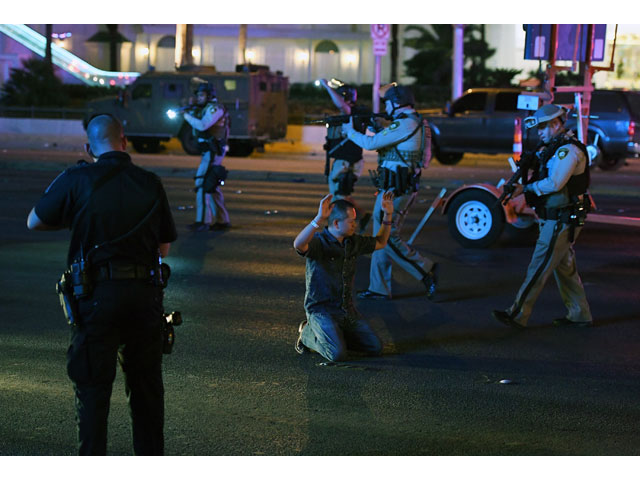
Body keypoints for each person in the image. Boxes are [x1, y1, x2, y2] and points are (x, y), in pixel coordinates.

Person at [27, 114, 178, 455]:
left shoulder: (76, 178)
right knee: (147, 395)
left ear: (88, 147)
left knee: (93, 395)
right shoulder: (150, 182)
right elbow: (164, 248)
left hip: (95, 298)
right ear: (124, 142)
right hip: (144, 299)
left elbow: (34, 220)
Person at [492, 103, 593, 328]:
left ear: (556, 124)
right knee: (565, 268)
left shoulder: (568, 150)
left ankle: (517, 314)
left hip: (561, 217)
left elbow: (555, 183)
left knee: (538, 266)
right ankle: (580, 314)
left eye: (543, 127)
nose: (539, 133)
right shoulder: (554, 147)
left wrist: (526, 189)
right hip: (557, 216)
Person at [341, 82, 438, 300]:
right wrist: (378, 127)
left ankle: (425, 269)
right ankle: (379, 288)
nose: (386, 107)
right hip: (401, 186)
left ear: (396, 103)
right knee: (381, 235)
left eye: (387, 102)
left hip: (395, 189)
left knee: (387, 237)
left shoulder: (404, 124)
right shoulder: (420, 123)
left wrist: (350, 131)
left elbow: (371, 143)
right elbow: (401, 148)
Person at [293, 191, 394, 362]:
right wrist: (318, 219)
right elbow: (299, 244)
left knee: (374, 347)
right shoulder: (320, 242)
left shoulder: (352, 242)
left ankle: (334, 335)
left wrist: (388, 215)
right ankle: (307, 333)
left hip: (346, 310)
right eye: (351, 221)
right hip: (321, 310)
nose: (355, 224)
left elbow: (381, 242)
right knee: (336, 354)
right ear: (336, 223)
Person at [319, 78, 371, 232]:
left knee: (339, 196)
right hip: (350, 161)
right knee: (342, 195)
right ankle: (356, 218)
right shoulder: (358, 115)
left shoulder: (351, 113)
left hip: (346, 162)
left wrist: (326, 86)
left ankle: (344, 223)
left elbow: (342, 105)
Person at [184, 80, 231, 232]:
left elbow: (203, 125)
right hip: (210, 150)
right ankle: (223, 220)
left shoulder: (214, 108)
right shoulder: (208, 107)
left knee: (202, 185)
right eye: (198, 95)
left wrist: (186, 116)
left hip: (212, 151)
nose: (199, 98)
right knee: (212, 186)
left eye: (202, 95)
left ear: (210, 95)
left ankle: (203, 221)